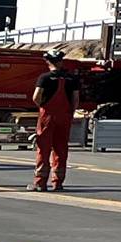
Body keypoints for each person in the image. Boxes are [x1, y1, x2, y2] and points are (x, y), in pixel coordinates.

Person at [29, 53, 82, 192]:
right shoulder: (72, 79)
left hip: (47, 116)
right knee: (61, 149)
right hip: (65, 117)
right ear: (60, 61)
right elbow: (76, 100)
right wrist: (69, 112)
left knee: (43, 148)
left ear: (48, 62)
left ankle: (40, 183)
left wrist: (43, 106)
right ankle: (58, 183)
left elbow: (36, 97)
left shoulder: (45, 78)